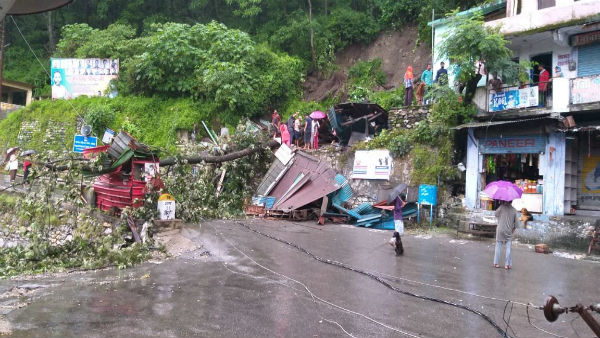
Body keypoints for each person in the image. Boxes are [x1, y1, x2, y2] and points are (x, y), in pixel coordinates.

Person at [493, 201, 520, 269]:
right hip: (508, 231)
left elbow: (495, 214)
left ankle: (496, 263)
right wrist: (512, 231)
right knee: (508, 248)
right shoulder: (514, 210)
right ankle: (507, 265)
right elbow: (516, 224)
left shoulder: (501, 207)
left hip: (500, 230)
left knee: (498, 246)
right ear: (512, 201)